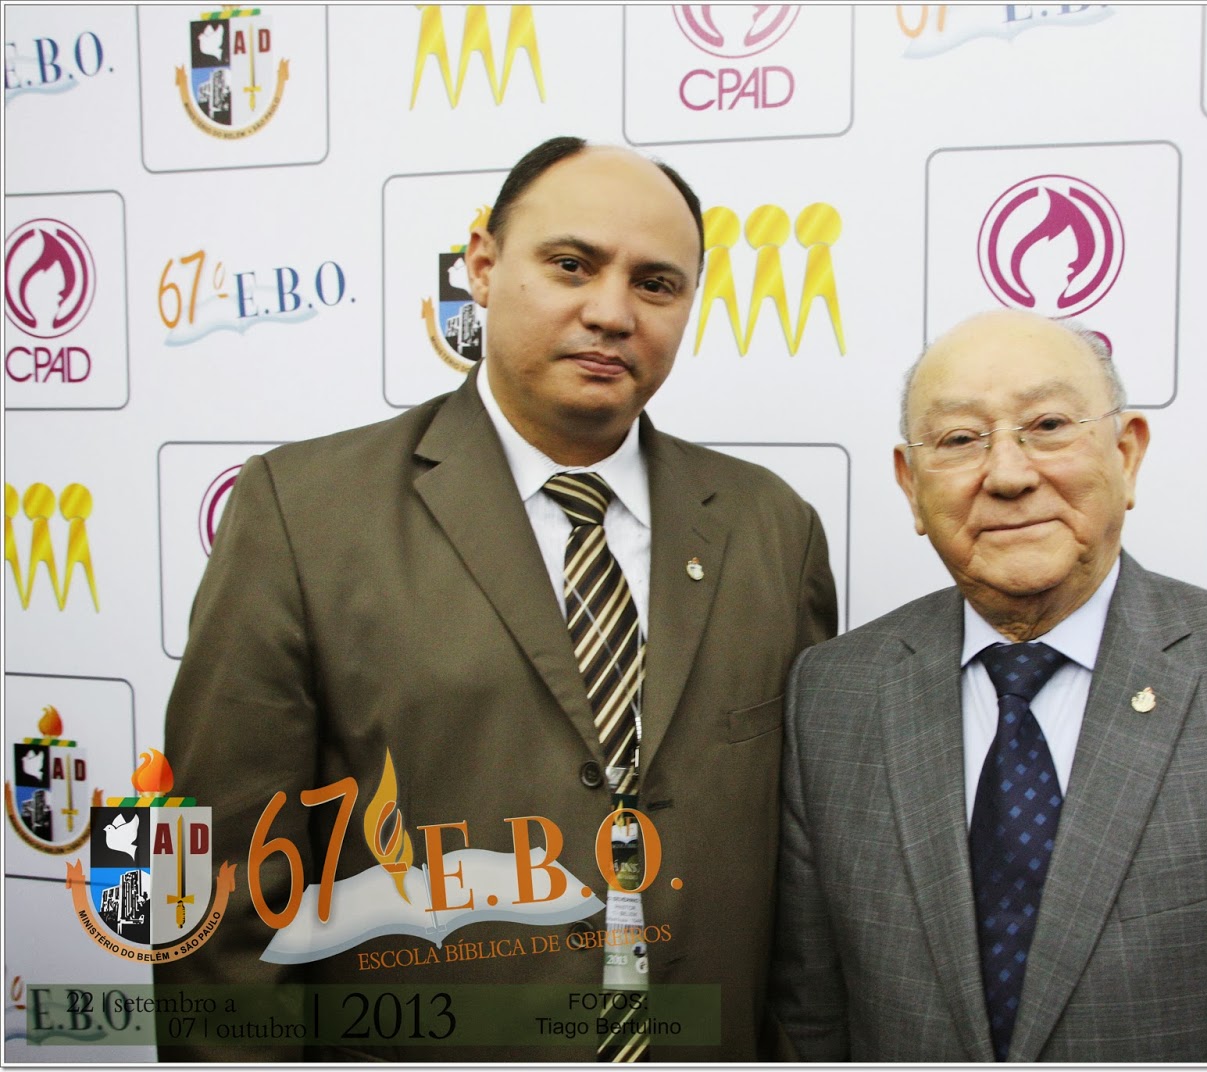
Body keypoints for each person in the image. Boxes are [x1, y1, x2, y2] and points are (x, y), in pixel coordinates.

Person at [157, 136, 836, 1062]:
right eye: (571, 265)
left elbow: (805, 890)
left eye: (656, 284)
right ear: (481, 266)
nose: (611, 312)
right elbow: (221, 884)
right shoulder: (302, 513)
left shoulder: (773, 529)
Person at [769, 309, 1207, 1062]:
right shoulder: (834, 694)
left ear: (1127, 453)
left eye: (1048, 426)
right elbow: (811, 1021)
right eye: (959, 439)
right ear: (912, 486)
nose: (1007, 475)